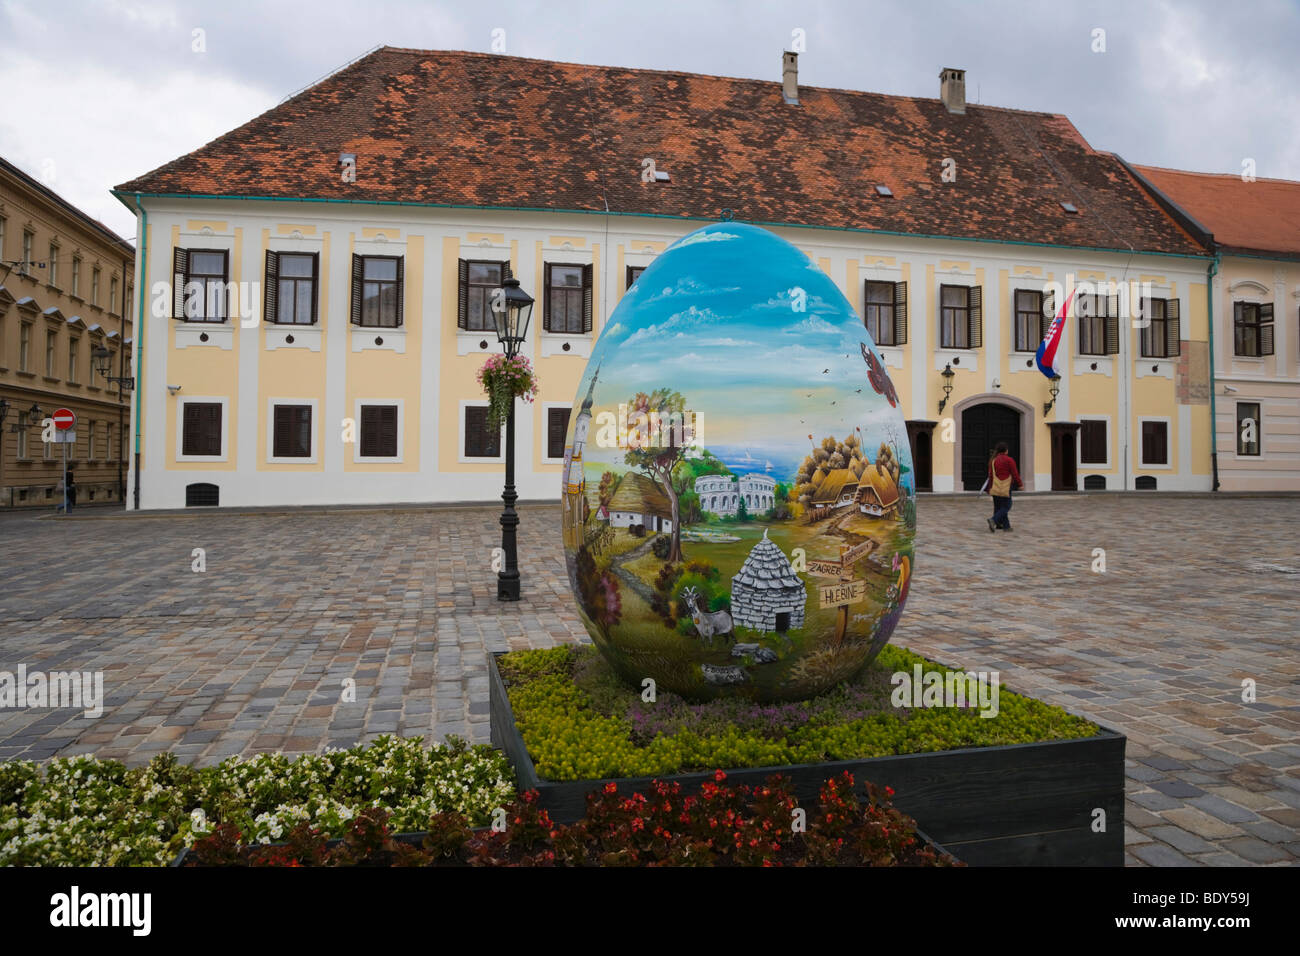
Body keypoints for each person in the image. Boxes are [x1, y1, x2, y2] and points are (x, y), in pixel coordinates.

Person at [985, 442, 1022, 532]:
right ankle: (993, 520)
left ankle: (1005, 526)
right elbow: (1015, 473)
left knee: (998, 507)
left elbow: (990, 475)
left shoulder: (993, 460)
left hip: (995, 486)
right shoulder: (1009, 460)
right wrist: (1020, 484)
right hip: (1006, 486)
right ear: (1006, 450)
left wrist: (989, 488)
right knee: (1006, 506)